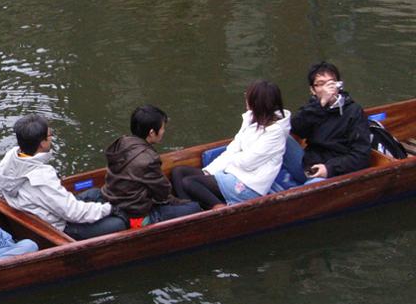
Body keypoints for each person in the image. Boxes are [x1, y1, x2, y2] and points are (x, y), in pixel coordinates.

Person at [0, 115, 128, 240]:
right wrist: (109, 209)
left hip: (42, 213)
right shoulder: (42, 177)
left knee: (96, 193)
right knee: (119, 223)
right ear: (42, 143)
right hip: (58, 228)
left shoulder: (12, 155)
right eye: (50, 135)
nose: (52, 137)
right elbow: (73, 213)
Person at [171, 80, 292, 209]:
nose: (245, 98)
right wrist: (209, 171)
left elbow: (247, 162)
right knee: (179, 172)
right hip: (231, 174)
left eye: (248, 95)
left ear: (257, 102)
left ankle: (220, 209)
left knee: (190, 182)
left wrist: (236, 155)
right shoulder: (251, 120)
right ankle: (189, 209)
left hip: (248, 185)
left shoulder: (275, 132)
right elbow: (233, 148)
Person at [101, 105, 201, 224]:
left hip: (113, 199)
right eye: (163, 128)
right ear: (152, 132)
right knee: (195, 208)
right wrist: (182, 202)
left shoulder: (122, 142)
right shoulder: (148, 160)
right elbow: (162, 193)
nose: (164, 131)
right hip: (135, 212)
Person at [290, 61, 371, 179]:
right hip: (308, 163)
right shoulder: (313, 108)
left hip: (332, 171)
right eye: (321, 84)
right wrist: (321, 104)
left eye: (331, 83)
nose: (328, 89)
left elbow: (361, 156)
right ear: (313, 90)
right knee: (284, 137)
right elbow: (296, 129)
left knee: (312, 188)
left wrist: (328, 169)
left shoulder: (354, 112)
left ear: (339, 85)